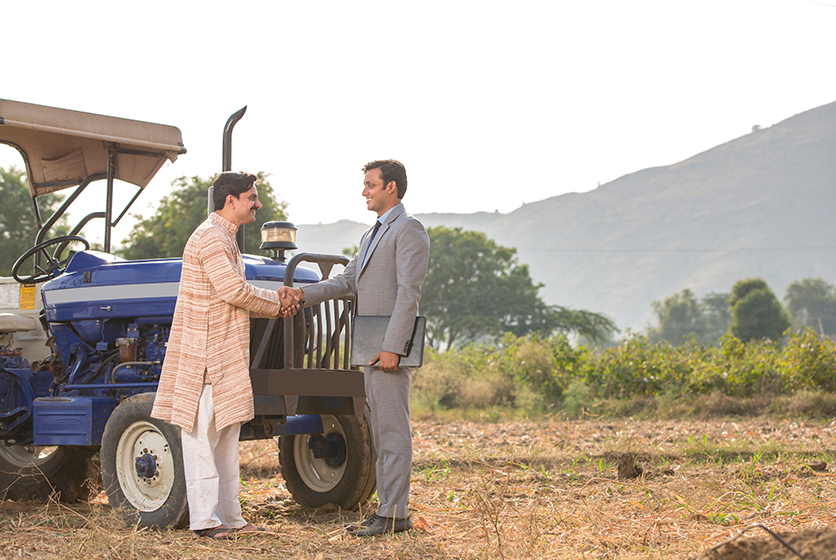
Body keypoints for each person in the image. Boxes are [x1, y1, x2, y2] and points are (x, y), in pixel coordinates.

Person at [282, 159, 429, 537]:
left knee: (394, 432)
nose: (364, 191)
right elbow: (347, 281)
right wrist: (302, 293)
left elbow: (408, 294)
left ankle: (396, 516)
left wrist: (394, 347)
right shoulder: (371, 235)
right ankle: (387, 510)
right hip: (369, 348)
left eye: (370, 184)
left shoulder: (409, 230)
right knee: (379, 432)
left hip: (388, 350)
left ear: (391, 187)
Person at [151, 171, 297, 540]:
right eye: (251, 197)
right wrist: (276, 301)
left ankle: (229, 516)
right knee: (201, 437)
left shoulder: (223, 237)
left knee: (226, 435)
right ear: (230, 201)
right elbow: (233, 290)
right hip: (206, 354)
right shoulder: (211, 238)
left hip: (224, 352)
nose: (257, 204)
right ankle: (204, 520)